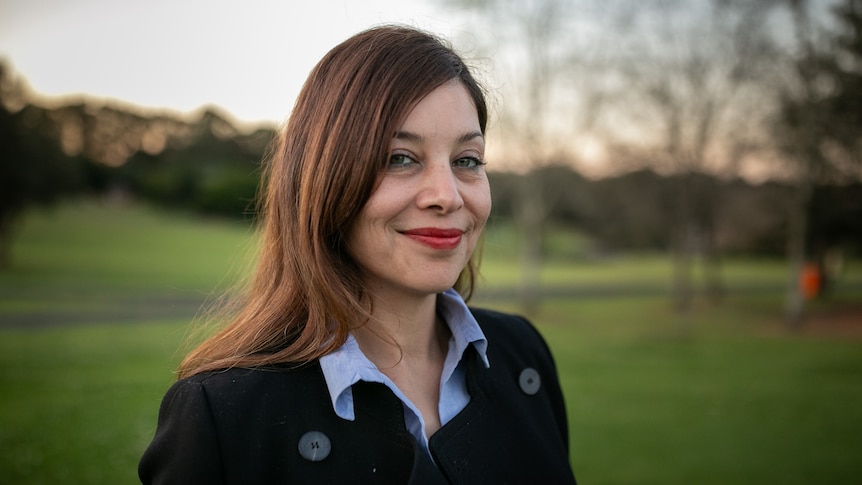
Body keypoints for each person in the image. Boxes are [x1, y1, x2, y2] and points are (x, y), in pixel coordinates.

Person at [139, 25, 576, 484]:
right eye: (400, 158)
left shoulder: (522, 356)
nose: (447, 196)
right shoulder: (224, 415)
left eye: (467, 160)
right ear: (326, 179)